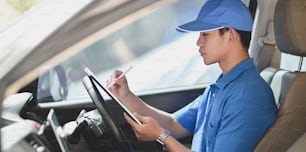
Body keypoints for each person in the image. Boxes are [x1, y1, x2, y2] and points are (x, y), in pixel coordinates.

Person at [107, 0, 277, 151]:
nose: (198, 42)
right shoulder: (222, 86)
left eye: (205, 34)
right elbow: (173, 124)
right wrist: (126, 95)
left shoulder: (247, 95)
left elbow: (167, 132)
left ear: (230, 36)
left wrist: (161, 137)